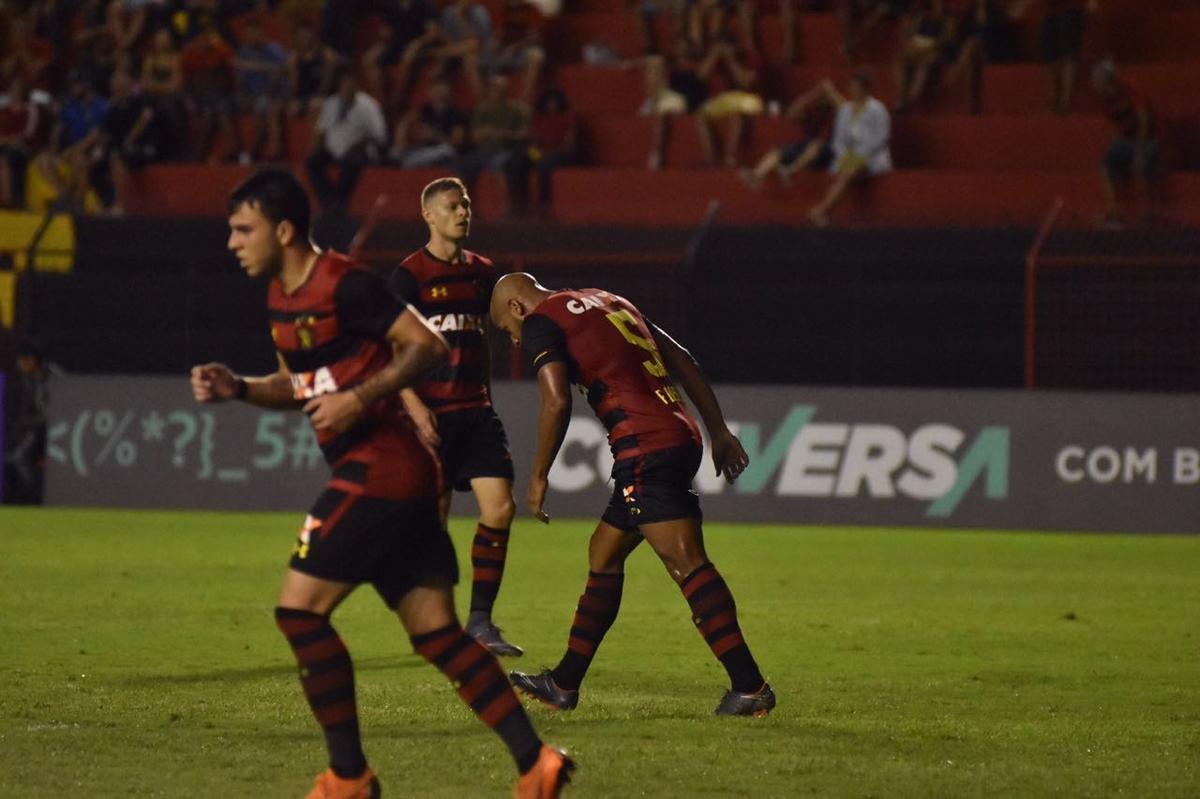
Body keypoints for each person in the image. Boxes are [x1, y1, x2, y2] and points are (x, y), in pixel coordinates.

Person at [190, 167, 573, 799]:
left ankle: (348, 778)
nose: (232, 241)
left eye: (243, 229)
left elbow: (426, 346)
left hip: (381, 468)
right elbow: (302, 386)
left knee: (298, 611)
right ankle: (537, 763)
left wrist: (361, 397)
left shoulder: (345, 284)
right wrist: (241, 388)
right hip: (399, 478)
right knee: (436, 635)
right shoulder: (280, 298)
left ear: (283, 231)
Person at [491, 272, 776, 718]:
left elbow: (556, 401)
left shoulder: (540, 322)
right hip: (676, 434)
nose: (515, 343)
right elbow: (681, 358)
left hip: (646, 446)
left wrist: (537, 476)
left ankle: (750, 686)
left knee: (686, 561)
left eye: (509, 333)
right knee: (603, 552)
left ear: (515, 308)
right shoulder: (608, 299)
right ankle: (563, 684)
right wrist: (718, 430)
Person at [387, 176, 523, 658]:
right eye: (452, 206)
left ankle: (481, 622)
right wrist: (414, 406)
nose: (463, 212)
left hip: (475, 412)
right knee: (434, 522)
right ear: (428, 215)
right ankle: (434, 623)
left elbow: (492, 334)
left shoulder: (484, 273)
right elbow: (391, 351)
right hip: (430, 416)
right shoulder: (409, 276)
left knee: (500, 508)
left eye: (466, 205)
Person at [807, 73, 891, 227]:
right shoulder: (845, 110)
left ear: (865, 89)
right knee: (845, 169)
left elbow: (882, 137)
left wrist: (862, 155)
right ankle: (822, 210)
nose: (853, 90)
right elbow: (839, 139)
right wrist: (844, 155)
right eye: (852, 87)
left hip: (872, 156)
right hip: (849, 155)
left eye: (856, 87)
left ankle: (822, 210)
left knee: (851, 172)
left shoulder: (878, 109)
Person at [305, 71, 387, 213]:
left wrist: (359, 143)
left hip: (359, 149)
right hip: (333, 148)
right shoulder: (332, 103)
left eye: (351, 84)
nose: (348, 87)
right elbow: (322, 129)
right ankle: (327, 200)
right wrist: (318, 147)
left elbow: (379, 135)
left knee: (352, 162)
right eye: (345, 84)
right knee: (313, 161)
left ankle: (339, 202)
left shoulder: (368, 106)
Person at [1092, 59, 1159, 228]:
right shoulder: (1105, 100)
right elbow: (1116, 126)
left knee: (1139, 165)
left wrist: (1138, 152)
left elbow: (1143, 121)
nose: (1094, 84)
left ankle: (1148, 212)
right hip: (1126, 140)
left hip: (1148, 139)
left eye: (1097, 79)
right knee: (1106, 163)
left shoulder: (1131, 91)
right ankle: (1114, 212)